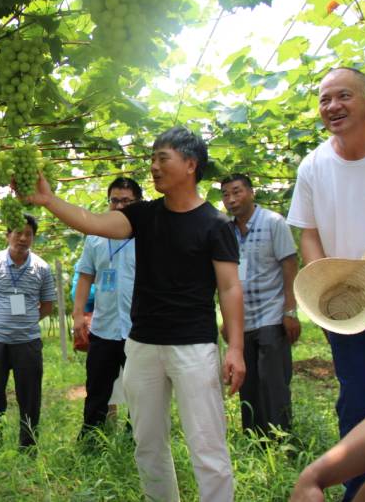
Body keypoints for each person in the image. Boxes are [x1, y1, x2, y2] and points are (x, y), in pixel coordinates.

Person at [26, 126, 245, 502]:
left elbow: (229, 288)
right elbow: (93, 222)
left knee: (207, 445)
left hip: (193, 347)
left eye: (163, 158)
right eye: (153, 158)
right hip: (142, 345)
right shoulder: (143, 215)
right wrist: (50, 201)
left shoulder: (216, 224)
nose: (154, 167)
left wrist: (236, 347)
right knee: (147, 443)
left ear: (191, 164)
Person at [286, 67, 365, 501]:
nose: (333, 106)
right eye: (325, 100)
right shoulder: (313, 165)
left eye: (343, 96)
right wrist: (324, 284)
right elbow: (308, 231)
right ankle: (359, 491)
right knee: (355, 400)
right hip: (347, 312)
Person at [221, 174, 300, 436]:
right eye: (226, 195)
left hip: (271, 313)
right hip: (241, 319)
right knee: (249, 381)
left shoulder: (272, 222)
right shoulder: (225, 231)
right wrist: (225, 318)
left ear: (251, 193)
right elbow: (221, 278)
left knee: (273, 381)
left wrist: (290, 310)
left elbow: (289, 265)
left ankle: (281, 439)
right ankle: (255, 438)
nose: (231, 200)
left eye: (237, 192)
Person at [0, 214, 56, 448]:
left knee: (30, 398)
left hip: (27, 342)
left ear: (33, 238)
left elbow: (48, 305)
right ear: (7, 234)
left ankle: (28, 446)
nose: (22, 238)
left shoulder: (42, 268)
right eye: (18, 232)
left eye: (28, 234)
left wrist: (28, 321)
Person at [72, 176, 141, 441]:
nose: (120, 206)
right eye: (115, 200)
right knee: (97, 387)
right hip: (104, 326)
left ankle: (137, 439)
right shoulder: (95, 237)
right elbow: (85, 275)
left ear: (137, 203)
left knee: (141, 390)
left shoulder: (145, 235)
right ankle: (91, 439)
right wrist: (78, 315)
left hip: (138, 329)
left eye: (126, 201)